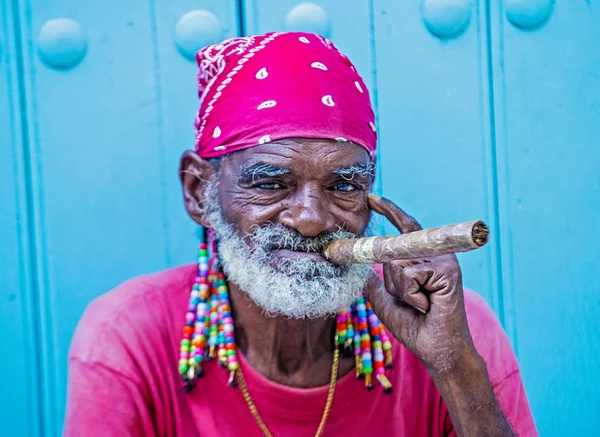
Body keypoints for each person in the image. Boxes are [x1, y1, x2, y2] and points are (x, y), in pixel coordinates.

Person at [64, 31, 537, 437]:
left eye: (343, 185)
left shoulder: (453, 326)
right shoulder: (127, 334)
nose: (311, 219)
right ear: (198, 191)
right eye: (271, 183)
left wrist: (454, 368)